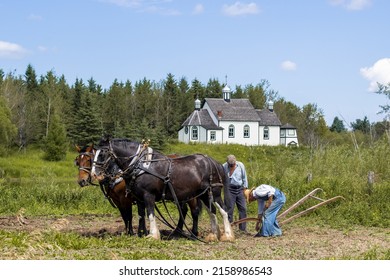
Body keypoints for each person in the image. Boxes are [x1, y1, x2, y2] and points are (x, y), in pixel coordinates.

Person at [223, 154, 248, 232]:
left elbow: (244, 177)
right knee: (229, 209)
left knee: (243, 208)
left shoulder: (240, 165)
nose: (231, 166)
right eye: (230, 165)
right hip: (229, 189)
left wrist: (245, 188)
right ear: (227, 163)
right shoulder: (224, 167)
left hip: (240, 189)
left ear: (235, 162)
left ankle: (242, 229)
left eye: (233, 164)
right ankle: (229, 228)